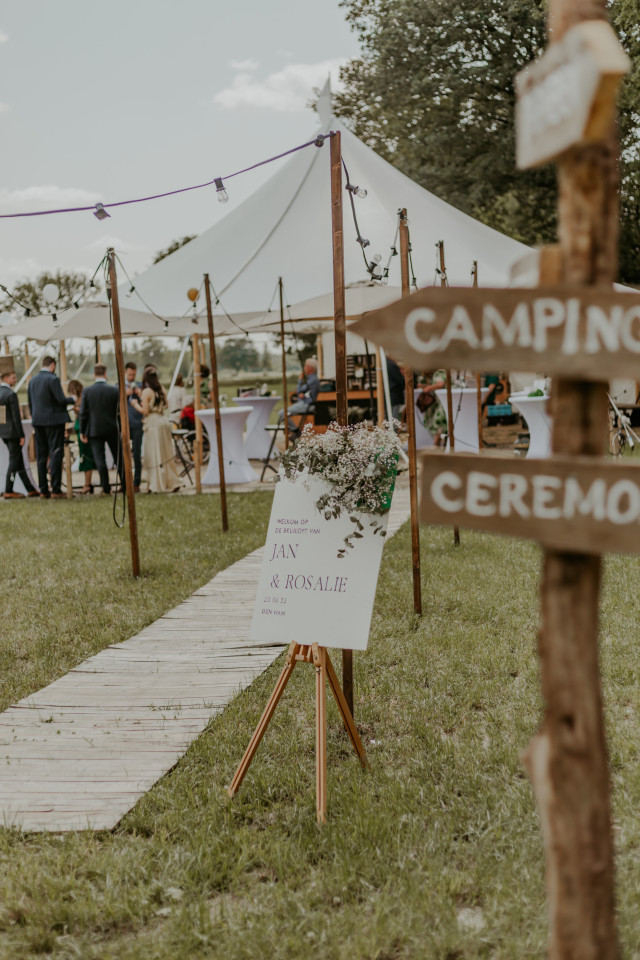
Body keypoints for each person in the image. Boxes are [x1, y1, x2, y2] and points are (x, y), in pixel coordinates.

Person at [27, 354, 75, 499]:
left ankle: (43, 490)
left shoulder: (32, 380)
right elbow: (60, 400)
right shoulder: (53, 379)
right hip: (54, 422)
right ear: (53, 365)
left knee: (41, 456)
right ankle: (55, 489)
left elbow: (30, 403)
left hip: (38, 422)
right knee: (55, 453)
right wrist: (72, 399)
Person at [130, 369, 182, 493]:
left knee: (153, 454)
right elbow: (166, 406)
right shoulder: (161, 389)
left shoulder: (146, 391)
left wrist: (135, 404)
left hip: (153, 423)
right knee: (166, 453)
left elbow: (145, 411)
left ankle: (156, 485)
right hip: (163, 421)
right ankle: (173, 481)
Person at [79, 364, 125, 495]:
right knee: (118, 458)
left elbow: (83, 413)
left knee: (100, 460)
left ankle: (106, 488)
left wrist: (83, 431)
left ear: (94, 374)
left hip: (94, 430)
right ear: (105, 374)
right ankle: (125, 485)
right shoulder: (114, 390)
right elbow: (120, 411)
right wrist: (121, 428)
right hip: (112, 428)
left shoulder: (87, 391)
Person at [0, 362, 38, 499]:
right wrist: (21, 435)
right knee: (14, 461)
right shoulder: (11, 394)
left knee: (19, 460)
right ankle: (8, 490)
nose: (15, 379)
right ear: (6, 378)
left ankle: (30, 488)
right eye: (13, 377)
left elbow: (1, 417)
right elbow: (16, 418)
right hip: (13, 433)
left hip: (4, 433)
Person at [67, 380, 96, 494]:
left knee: (86, 457)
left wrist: (75, 409)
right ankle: (87, 483)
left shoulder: (83, 398)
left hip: (84, 431)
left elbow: (85, 413)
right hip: (80, 429)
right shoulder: (80, 399)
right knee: (83, 456)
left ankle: (87, 484)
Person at [284, 358, 320, 435]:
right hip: (304, 403)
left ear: (311, 368)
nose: (304, 368)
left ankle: (295, 431)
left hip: (306, 405)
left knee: (283, 413)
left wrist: (300, 380)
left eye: (306, 366)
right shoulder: (311, 379)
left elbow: (299, 390)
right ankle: (295, 431)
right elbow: (302, 392)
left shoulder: (313, 380)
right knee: (283, 413)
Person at [125, 361, 143, 493]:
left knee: (136, 454)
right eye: (130, 374)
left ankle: (136, 482)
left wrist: (140, 393)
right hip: (124, 424)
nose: (132, 377)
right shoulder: (118, 386)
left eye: (134, 375)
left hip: (137, 423)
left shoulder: (140, 386)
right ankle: (124, 482)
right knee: (124, 454)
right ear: (125, 373)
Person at [417, 369, 447, 446]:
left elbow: (440, 384)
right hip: (441, 400)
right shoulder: (437, 374)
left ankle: (436, 444)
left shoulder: (439, 372)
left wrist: (427, 389)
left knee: (437, 420)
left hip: (444, 400)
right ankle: (438, 443)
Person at [386, 356, 405, 421]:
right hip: (393, 394)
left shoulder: (387, 363)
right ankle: (394, 430)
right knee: (394, 417)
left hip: (391, 394)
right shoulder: (391, 365)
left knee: (392, 416)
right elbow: (400, 379)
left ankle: (393, 430)